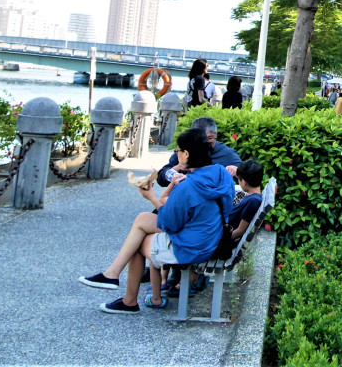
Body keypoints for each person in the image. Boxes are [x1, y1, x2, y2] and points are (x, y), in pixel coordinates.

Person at [80, 128, 234, 314]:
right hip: (211, 235)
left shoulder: (187, 186)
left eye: (178, 151)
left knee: (136, 244)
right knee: (142, 219)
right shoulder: (221, 173)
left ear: (186, 154)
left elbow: (170, 224)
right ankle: (111, 274)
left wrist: (151, 197)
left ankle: (127, 299)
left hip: (192, 246)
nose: (176, 154)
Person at [157, 117, 240, 185]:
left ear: (216, 135)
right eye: (201, 139)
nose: (206, 142)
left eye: (210, 138)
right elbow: (161, 179)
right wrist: (177, 168)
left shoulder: (228, 154)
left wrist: (237, 171)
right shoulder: (184, 151)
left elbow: (249, 179)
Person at [229, 160, 264, 240]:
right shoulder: (253, 197)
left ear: (244, 182)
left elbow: (240, 230)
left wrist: (218, 241)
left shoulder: (253, 202)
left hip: (223, 233)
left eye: (239, 179)